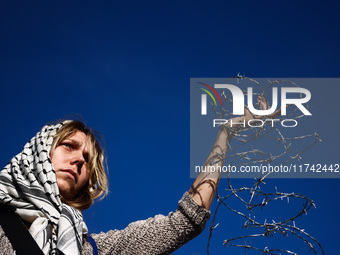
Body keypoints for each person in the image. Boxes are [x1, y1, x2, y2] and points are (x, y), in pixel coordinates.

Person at [0, 97, 278, 254]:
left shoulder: (92, 249)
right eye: (68, 147)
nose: (77, 161)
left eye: (87, 160)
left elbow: (185, 222)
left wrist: (226, 133)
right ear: (38, 152)